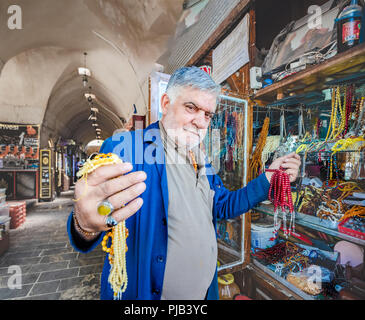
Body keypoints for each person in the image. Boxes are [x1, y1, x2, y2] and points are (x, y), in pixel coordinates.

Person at [67, 66, 301, 300]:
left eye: (208, 114)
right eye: (191, 107)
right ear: (166, 103)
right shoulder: (128, 148)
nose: (201, 122)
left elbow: (223, 205)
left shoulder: (199, 157)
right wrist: (83, 225)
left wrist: (268, 178)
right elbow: (97, 211)